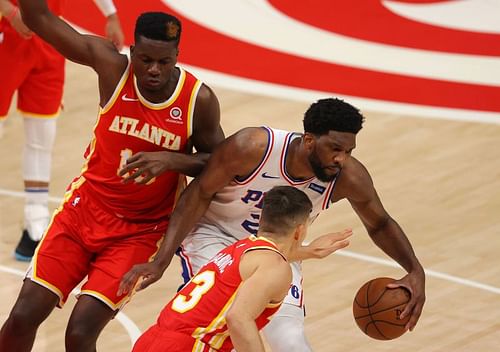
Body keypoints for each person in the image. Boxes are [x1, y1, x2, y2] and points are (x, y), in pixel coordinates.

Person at [0, 3, 224, 351]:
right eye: (145, 59)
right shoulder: (111, 68)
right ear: (132, 51)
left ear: (177, 56)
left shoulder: (199, 100)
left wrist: (173, 160)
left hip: (139, 231)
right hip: (83, 211)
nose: (153, 70)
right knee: (23, 315)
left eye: (164, 62)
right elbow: (39, 17)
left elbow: (220, 163)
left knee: (80, 331)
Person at [120, 98, 426, 351]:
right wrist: (161, 261)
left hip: (279, 248)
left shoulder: (349, 178)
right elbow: (199, 191)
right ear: (309, 140)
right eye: (335, 148)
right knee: (227, 319)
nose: (341, 159)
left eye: (348, 151)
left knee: (289, 337)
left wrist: (415, 270)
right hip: (215, 235)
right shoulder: (253, 146)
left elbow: (380, 223)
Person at [132, 186, 351, 352]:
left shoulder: (242, 247)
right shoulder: (276, 267)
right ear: (299, 230)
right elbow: (238, 319)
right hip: (191, 346)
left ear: (262, 219)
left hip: (153, 339)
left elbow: (269, 259)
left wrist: (311, 251)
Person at [0, 0, 124, 262]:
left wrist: (111, 14)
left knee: (43, 133)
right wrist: (9, 11)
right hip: (8, 31)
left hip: (48, 35)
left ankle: (35, 224)